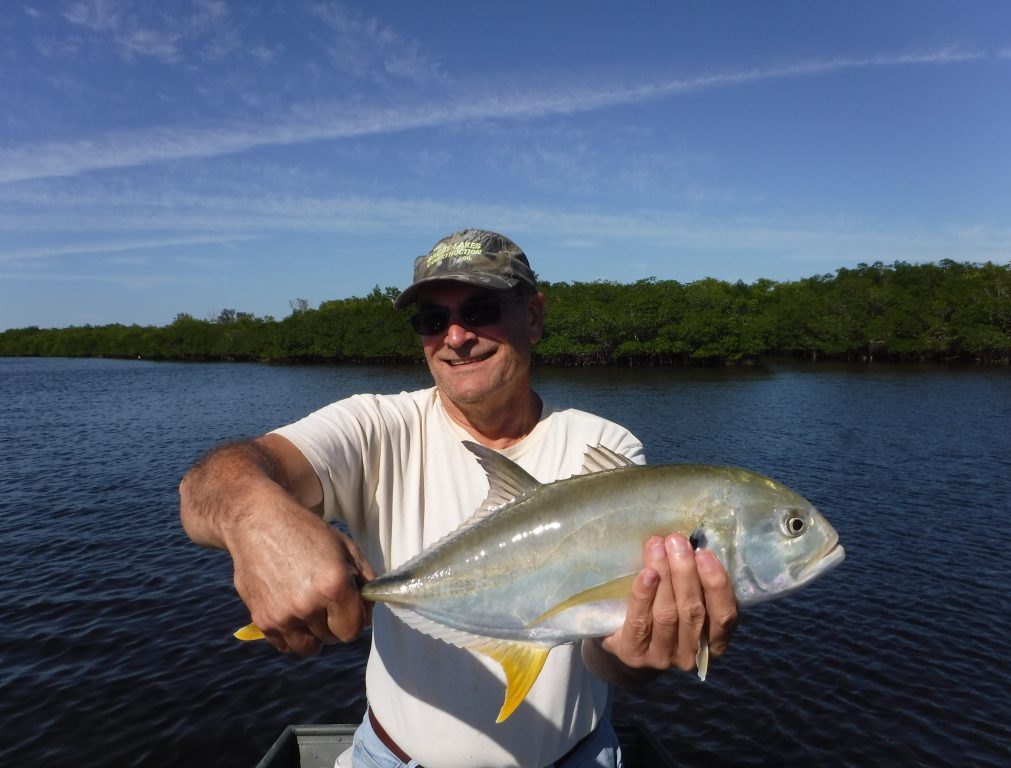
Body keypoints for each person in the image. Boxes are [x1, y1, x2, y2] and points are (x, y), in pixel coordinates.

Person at [179, 229, 738, 768]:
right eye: (432, 319)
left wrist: (638, 649)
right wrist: (255, 518)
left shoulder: (603, 448)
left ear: (535, 317)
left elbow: (604, 655)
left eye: (479, 311)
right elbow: (208, 485)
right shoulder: (375, 427)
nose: (455, 336)